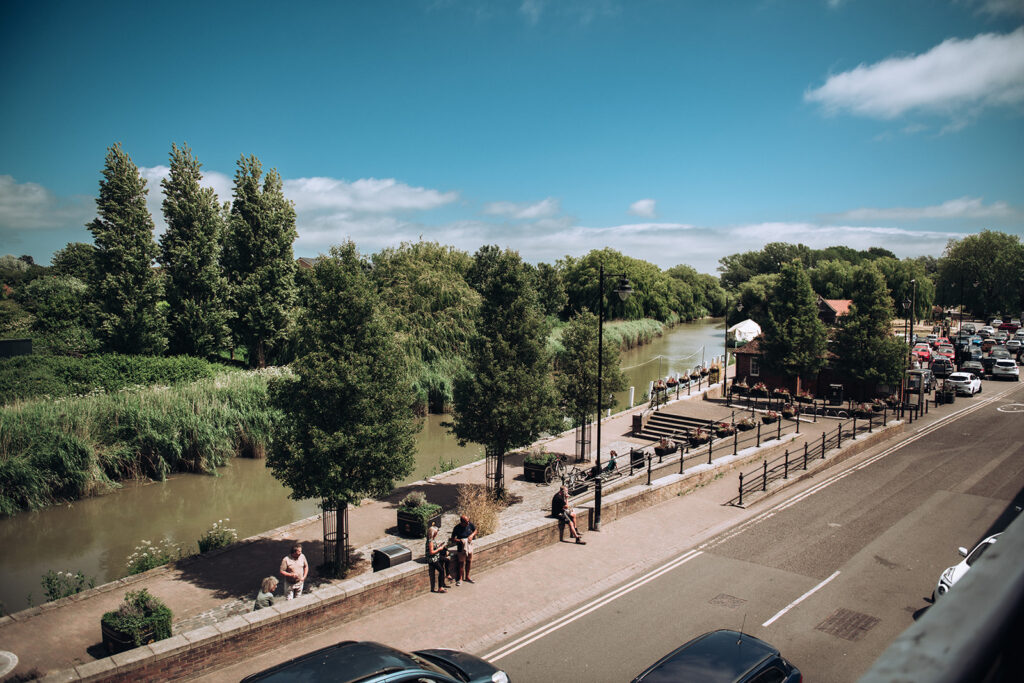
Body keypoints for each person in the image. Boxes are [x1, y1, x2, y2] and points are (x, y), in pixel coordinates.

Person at [450, 515, 477, 585]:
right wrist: (459, 541)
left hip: (469, 546)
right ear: (462, 522)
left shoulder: (470, 524)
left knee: (469, 561)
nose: (468, 523)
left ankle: (467, 577)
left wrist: (472, 535)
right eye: (466, 522)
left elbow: (475, 530)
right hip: (461, 547)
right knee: (461, 563)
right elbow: (452, 538)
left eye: (468, 521)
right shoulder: (457, 528)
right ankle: (460, 579)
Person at [425, 524, 448, 593]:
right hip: (432, 559)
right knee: (441, 570)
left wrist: (438, 546)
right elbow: (431, 552)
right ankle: (440, 587)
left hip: (436, 556)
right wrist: (439, 549)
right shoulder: (430, 541)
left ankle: (447, 575)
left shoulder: (432, 540)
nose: (437, 534)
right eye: (436, 533)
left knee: (446, 560)